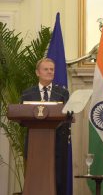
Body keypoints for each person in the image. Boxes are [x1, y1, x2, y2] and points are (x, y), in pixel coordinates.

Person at [21, 58, 69, 195]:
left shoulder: (62, 93)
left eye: (52, 69)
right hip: (34, 146)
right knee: (34, 181)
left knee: (58, 181)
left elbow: (67, 117)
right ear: (37, 72)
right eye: (46, 69)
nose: (50, 72)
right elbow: (21, 119)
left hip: (57, 145)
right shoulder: (27, 94)